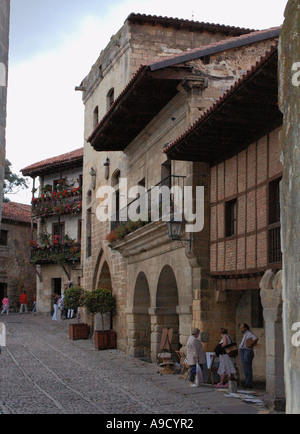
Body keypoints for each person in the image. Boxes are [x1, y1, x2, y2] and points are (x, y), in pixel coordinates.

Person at [239, 323, 258, 389]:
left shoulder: (249, 333)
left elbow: (255, 338)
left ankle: (248, 383)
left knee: (247, 367)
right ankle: (247, 382)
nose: (241, 329)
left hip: (247, 350)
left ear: (245, 328)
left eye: (242, 328)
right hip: (243, 350)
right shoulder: (245, 334)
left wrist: (251, 344)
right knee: (245, 367)